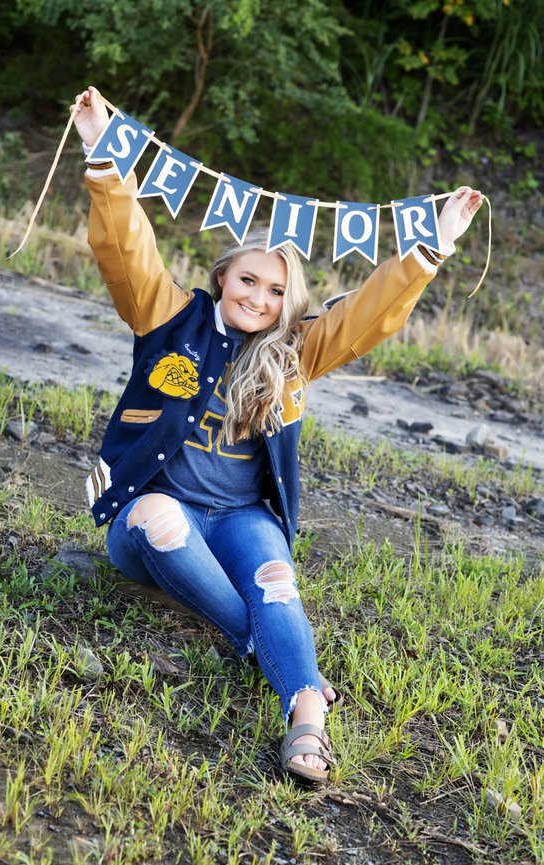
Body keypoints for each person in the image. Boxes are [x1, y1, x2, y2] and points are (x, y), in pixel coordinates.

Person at [72, 86, 483, 784]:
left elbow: (365, 316)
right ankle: (271, 655)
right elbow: (127, 249)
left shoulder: (295, 353)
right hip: (151, 519)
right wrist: (102, 155)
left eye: (272, 290)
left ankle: (307, 719)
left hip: (239, 519)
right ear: (222, 277)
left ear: (285, 301)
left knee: (275, 580)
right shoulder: (168, 318)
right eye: (247, 280)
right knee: (159, 516)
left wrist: (431, 245)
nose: (257, 299)